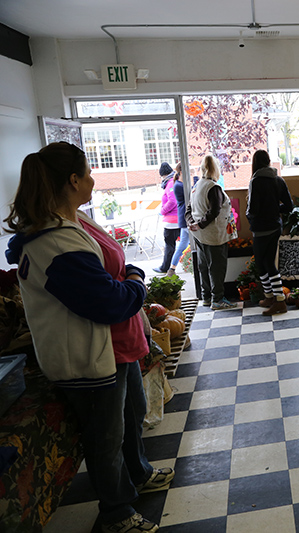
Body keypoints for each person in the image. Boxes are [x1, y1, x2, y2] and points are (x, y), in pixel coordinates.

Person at [4, 142, 174, 533]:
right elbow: (106, 302)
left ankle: (139, 473)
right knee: (105, 440)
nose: (95, 179)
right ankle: (116, 513)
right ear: (73, 180)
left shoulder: (74, 221)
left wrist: (127, 279)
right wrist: (135, 283)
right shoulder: (53, 242)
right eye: (89, 172)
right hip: (90, 357)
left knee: (131, 416)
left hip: (117, 347)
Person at [186, 154, 236, 310]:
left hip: (199, 235)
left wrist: (192, 223)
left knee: (204, 266)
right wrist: (200, 225)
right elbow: (214, 211)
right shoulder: (214, 187)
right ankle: (218, 299)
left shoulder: (197, 186)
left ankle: (206, 297)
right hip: (214, 236)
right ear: (216, 169)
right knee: (217, 267)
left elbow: (188, 209)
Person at [246, 150, 292, 316]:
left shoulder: (255, 181)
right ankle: (271, 297)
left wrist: (249, 217)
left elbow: (253, 209)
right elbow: (289, 206)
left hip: (261, 228)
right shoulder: (278, 180)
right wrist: (274, 210)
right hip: (275, 226)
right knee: (266, 262)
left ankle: (278, 301)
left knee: (264, 263)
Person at [163, 162, 189, 277]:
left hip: (183, 219)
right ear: (182, 172)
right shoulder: (178, 185)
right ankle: (171, 268)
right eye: (189, 171)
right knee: (181, 245)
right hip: (183, 219)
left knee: (183, 245)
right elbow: (190, 194)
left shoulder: (180, 184)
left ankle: (171, 269)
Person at [154, 162, 179, 274]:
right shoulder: (174, 181)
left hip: (172, 220)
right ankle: (169, 267)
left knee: (169, 245)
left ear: (164, 174)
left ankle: (165, 268)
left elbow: (172, 201)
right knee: (177, 244)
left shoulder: (170, 183)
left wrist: (162, 211)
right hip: (176, 219)